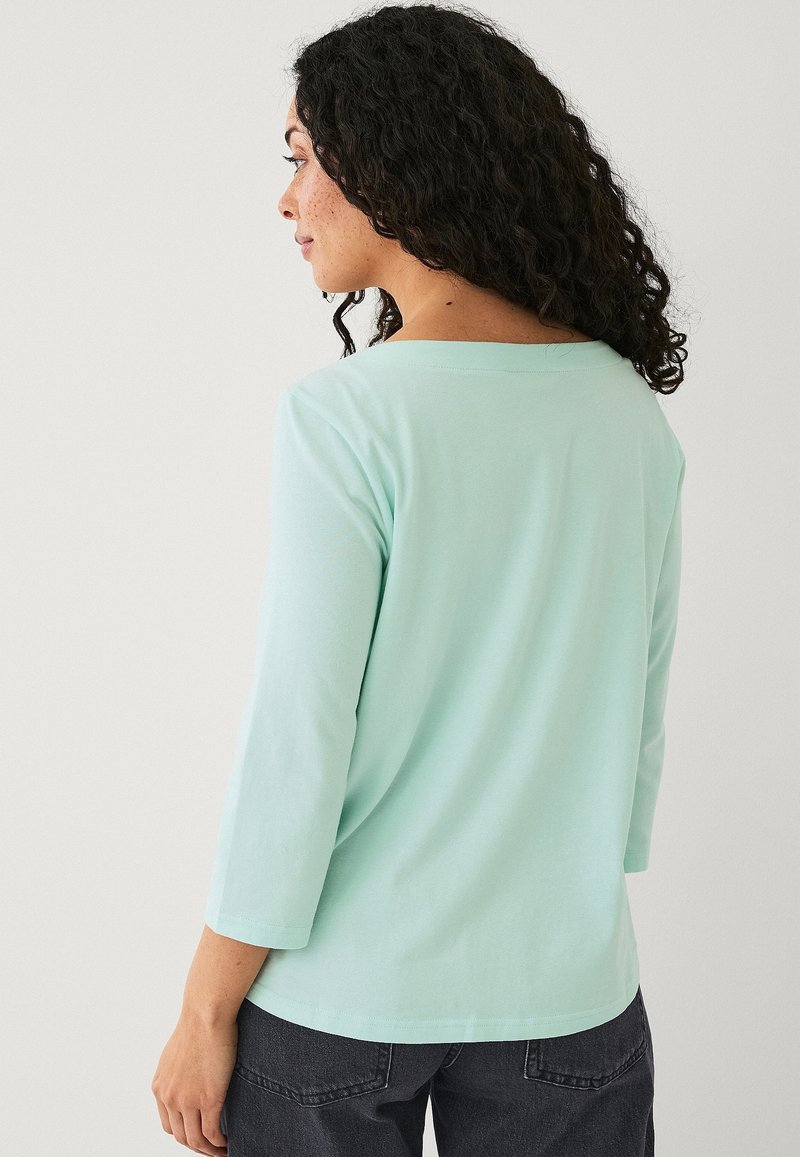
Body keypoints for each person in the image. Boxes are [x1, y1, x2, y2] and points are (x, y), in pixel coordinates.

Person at [151, 4, 687, 1155]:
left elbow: (299, 736)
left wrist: (204, 1004)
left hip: (341, 993)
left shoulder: (348, 418)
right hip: (566, 984)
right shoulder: (623, 412)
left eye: (302, 157)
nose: (286, 198)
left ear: (389, 162)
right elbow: (636, 710)